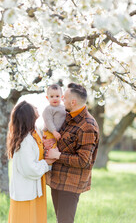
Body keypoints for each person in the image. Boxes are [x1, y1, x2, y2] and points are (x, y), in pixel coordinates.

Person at [44, 83, 99, 223]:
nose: (62, 99)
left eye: (65, 97)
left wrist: (57, 156)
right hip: (57, 179)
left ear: (73, 102)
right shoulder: (67, 116)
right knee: (60, 220)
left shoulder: (88, 126)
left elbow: (83, 160)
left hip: (71, 183)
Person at [7, 101, 55, 223]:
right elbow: (30, 169)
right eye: (33, 107)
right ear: (28, 114)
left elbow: (35, 156)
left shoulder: (35, 132)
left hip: (35, 190)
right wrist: (47, 162)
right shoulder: (25, 141)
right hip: (26, 193)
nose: (37, 107)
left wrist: (44, 150)